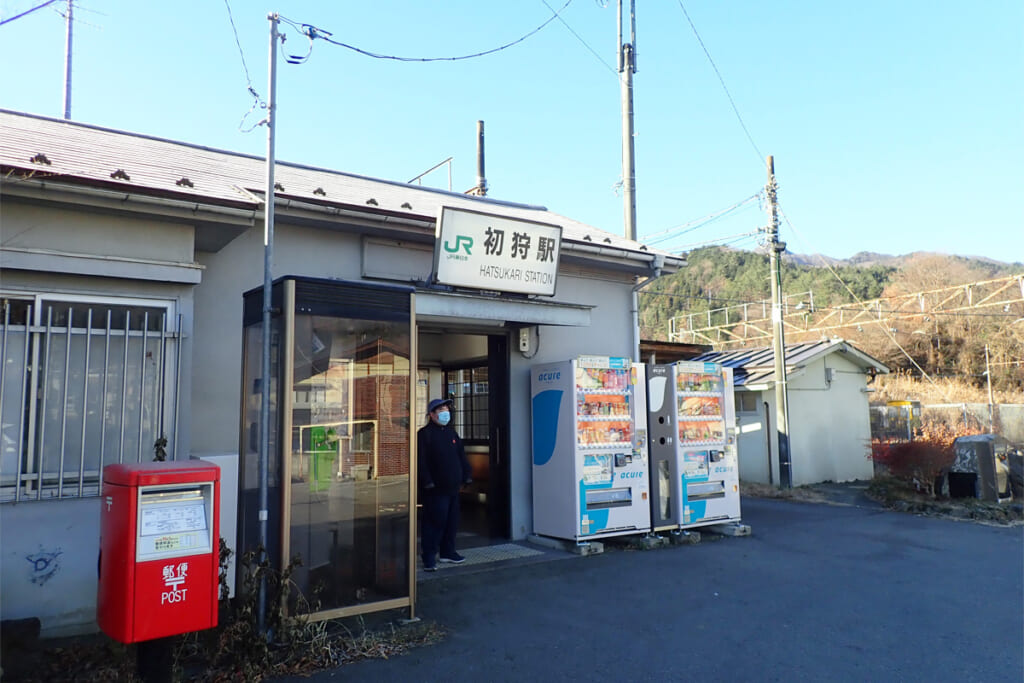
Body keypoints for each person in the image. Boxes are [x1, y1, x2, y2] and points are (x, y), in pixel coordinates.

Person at [418, 397, 472, 571]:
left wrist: (466, 475)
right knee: (434, 523)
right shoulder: (424, 434)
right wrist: (427, 481)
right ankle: (429, 557)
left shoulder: (451, 433)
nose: (445, 413)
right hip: (435, 489)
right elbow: (421, 460)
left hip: (453, 488)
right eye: (440, 410)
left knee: (451, 522)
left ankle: (448, 552)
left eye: (446, 410)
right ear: (431, 415)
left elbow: (461, 456)